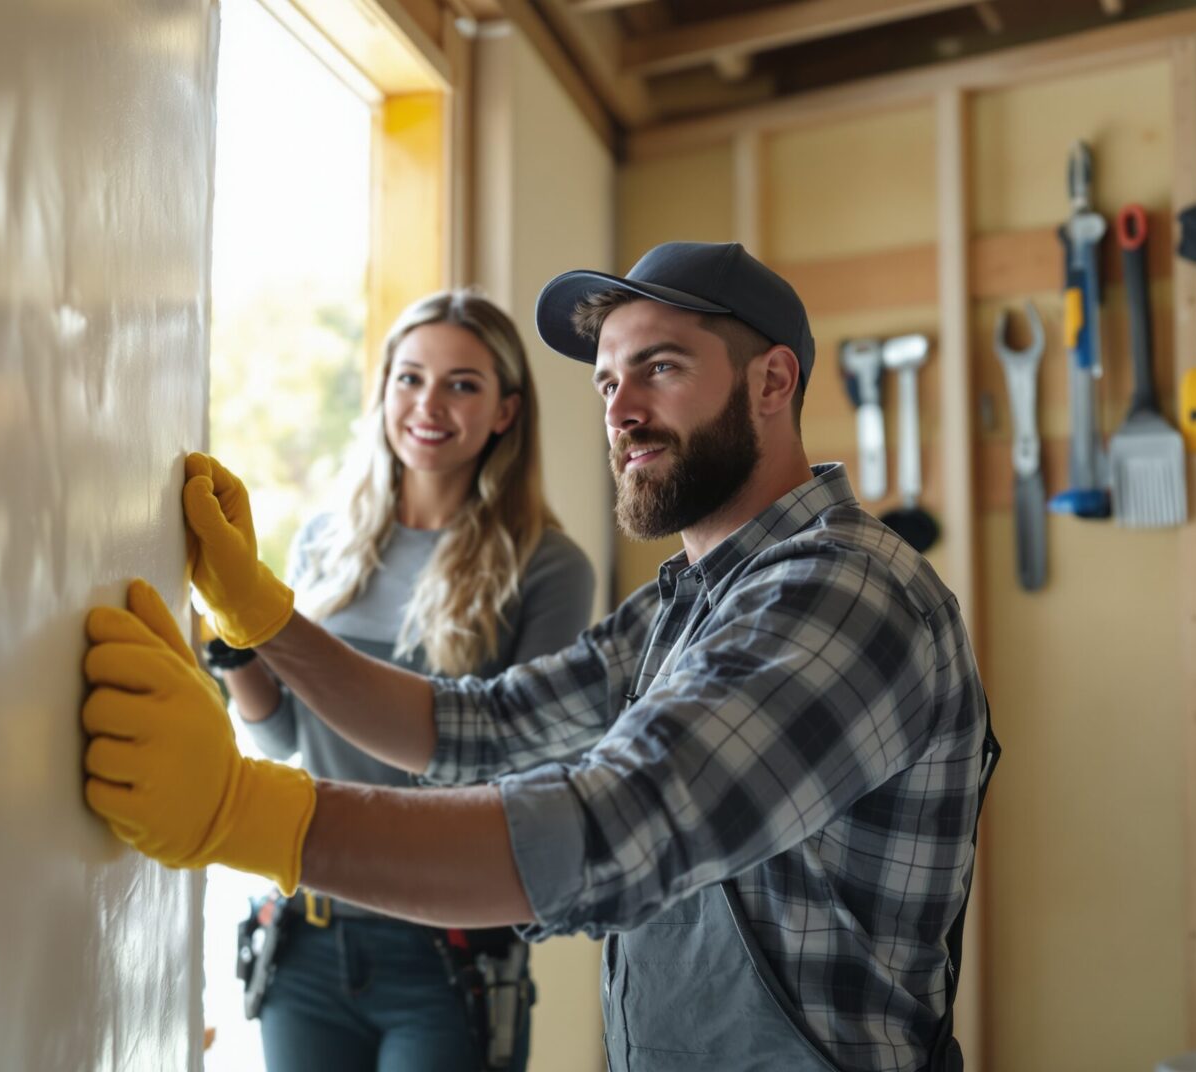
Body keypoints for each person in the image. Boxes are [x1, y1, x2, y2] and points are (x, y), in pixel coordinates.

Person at [80, 242, 998, 1072]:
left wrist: (240, 813)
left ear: (772, 381)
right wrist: (268, 622)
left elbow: (615, 827)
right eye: (606, 384)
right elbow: (480, 726)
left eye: (660, 369)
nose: (623, 411)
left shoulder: (847, 594)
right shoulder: (690, 601)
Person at [213, 290, 595, 1072]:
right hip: (307, 934)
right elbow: (283, 735)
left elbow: (530, 768)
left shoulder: (549, 566)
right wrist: (235, 655)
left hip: (446, 953)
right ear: (384, 388)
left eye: (462, 384)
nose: (429, 404)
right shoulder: (325, 542)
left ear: (505, 412)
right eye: (410, 378)